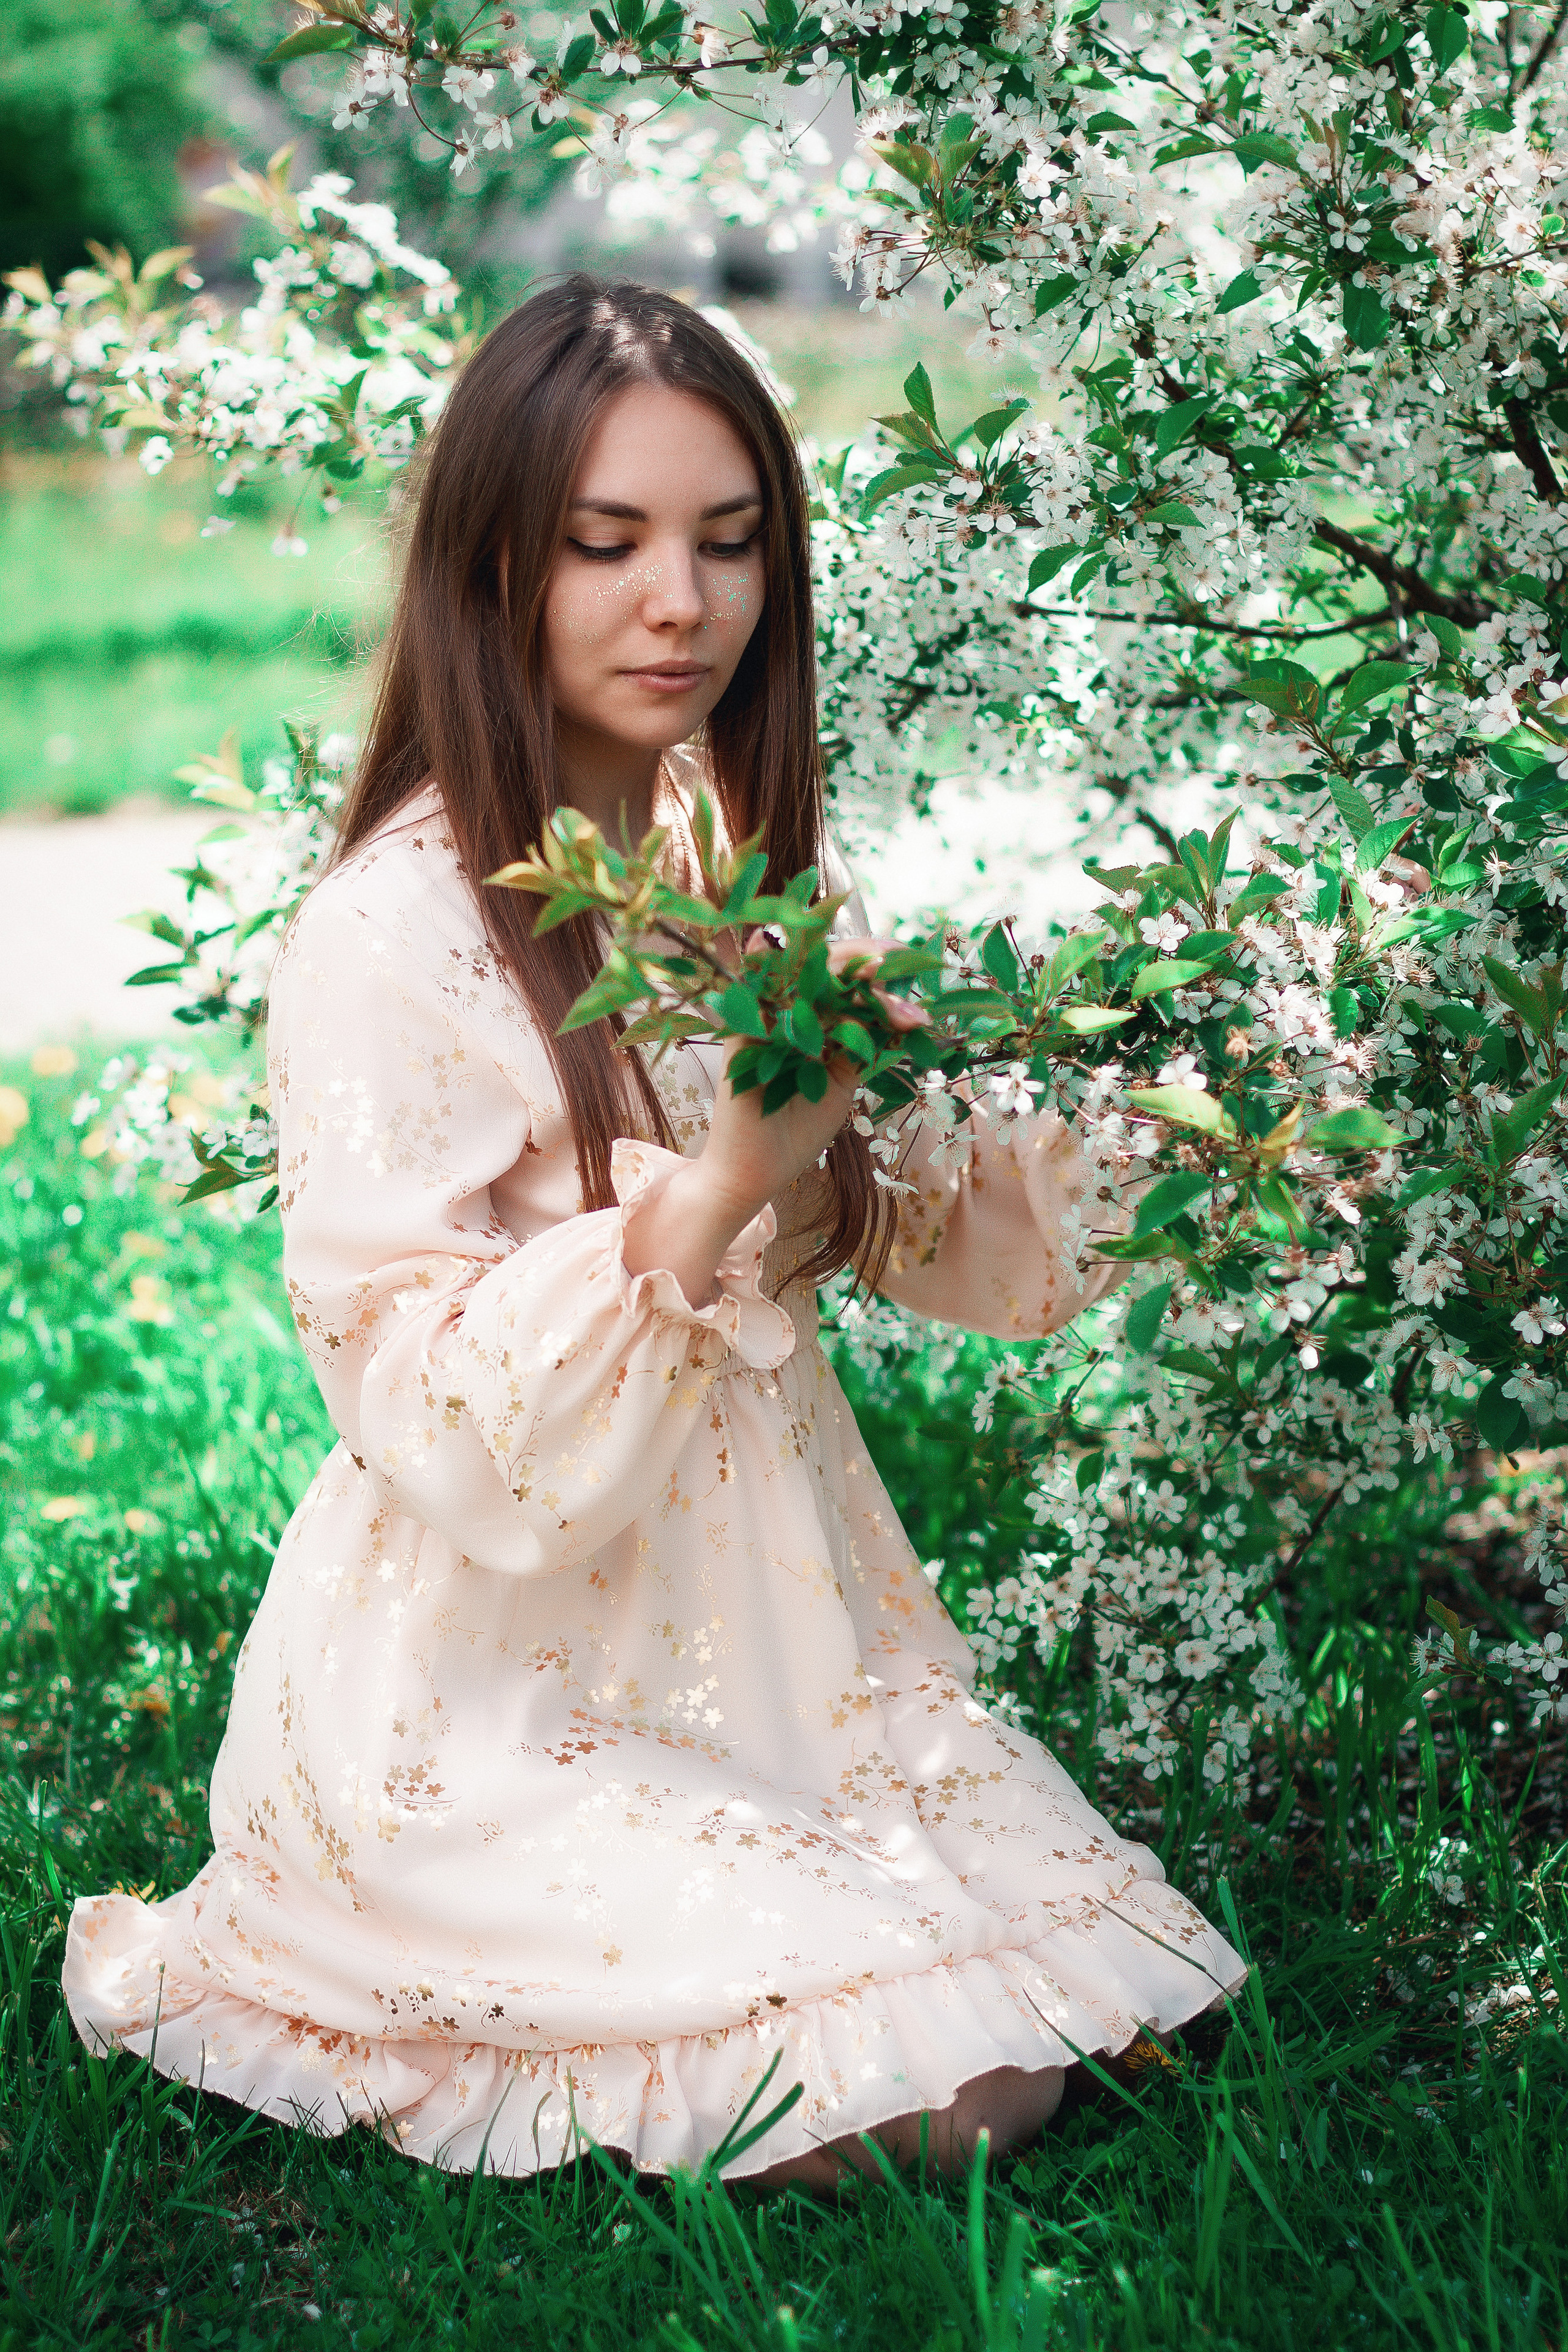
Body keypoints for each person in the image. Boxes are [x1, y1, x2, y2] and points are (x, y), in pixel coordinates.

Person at [63, 280, 1244, 2188]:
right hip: (492, 1685)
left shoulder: (726, 860)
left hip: (777, 1644)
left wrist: (1173, 1109)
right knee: (926, 2094)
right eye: (606, 545)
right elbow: (423, 1409)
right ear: (496, 565)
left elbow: (913, 1219)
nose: (678, 603)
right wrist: (715, 1184)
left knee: (1102, 1998)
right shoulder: (400, 930)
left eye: (727, 540)